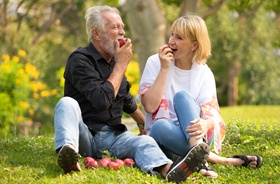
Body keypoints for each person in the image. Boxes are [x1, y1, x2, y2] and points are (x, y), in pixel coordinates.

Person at [53, 6, 210, 183]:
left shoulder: (114, 61)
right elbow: (101, 100)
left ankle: (169, 170)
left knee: (145, 142)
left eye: (122, 27)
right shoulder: (80, 60)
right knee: (66, 103)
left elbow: (126, 100)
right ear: (96, 34)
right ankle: (68, 153)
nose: (122, 33)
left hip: (113, 137)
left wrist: (142, 123)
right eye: (115, 28)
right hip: (85, 135)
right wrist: (121, 65)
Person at [138, 14, 263, 179]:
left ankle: (197, 157)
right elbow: (150, 106)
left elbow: (213, 117)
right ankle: (220, 160)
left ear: (194, 45)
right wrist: (164, 69)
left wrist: (205, 123)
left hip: (197, 136)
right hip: (164, 137)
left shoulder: (204, 73)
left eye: (179, 37)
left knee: (183, 97)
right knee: (159, 126)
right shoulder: (155, 62)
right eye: (172, 34)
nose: (171, 41)